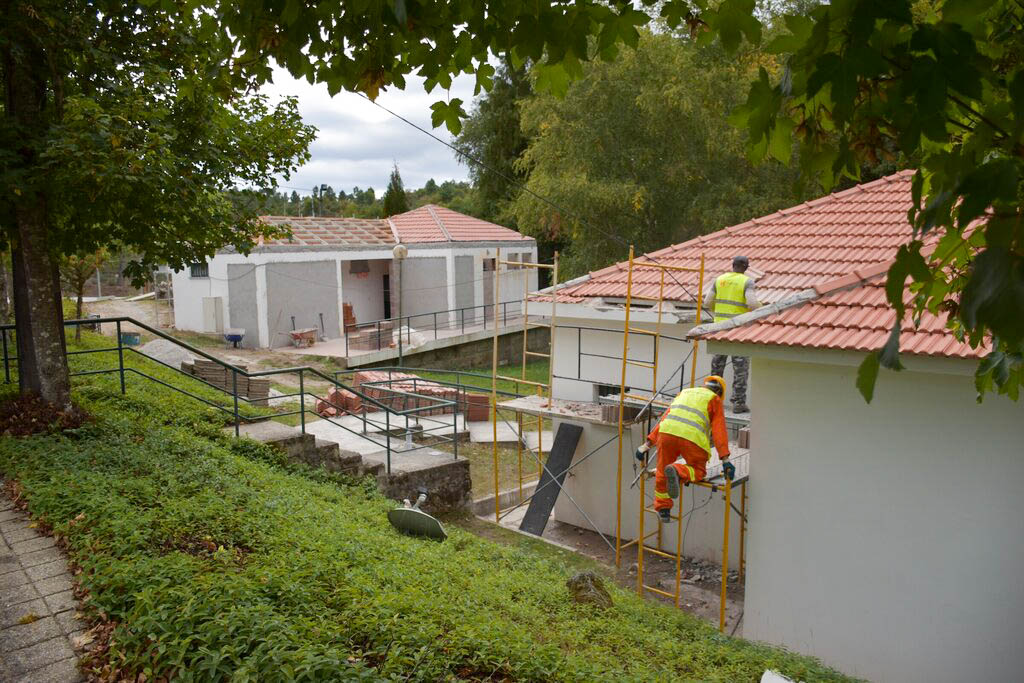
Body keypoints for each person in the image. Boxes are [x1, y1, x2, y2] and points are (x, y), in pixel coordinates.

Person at [635, 376, 734, 523]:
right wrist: (725, 459)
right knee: (698, 471)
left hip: (666, 433)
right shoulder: (714, 399)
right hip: (692, 439)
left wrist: (647, 444)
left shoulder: (685, 393)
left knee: (662, 470)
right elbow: (719, 431)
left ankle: (663, 510)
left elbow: (665, 418)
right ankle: (678, 470)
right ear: (719, 392)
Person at [702, 255, 760, 413]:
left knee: (717, 365)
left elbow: (707, 303)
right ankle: (738, 403)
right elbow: (752, 304)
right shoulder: (747, 282)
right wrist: (760, 311)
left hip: (719, 329)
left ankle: (711, 399)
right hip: (738, 332)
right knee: (740, 368)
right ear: (746, 267)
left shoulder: (719, 280)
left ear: (732, 265)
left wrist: (718, 314)